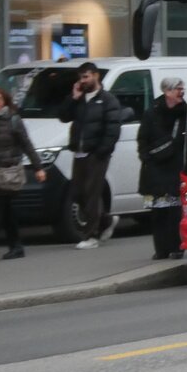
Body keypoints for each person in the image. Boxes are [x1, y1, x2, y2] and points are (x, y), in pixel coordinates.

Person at [58, 61, 122, 250]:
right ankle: (106, 221)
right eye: (81, 78)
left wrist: (103, 150)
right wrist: (73, 97)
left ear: (96, 76)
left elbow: (112, 129)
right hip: (79, 152)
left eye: (86, 76)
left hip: (96, 154)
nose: (83, 81)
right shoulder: (80, 99)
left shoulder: (108, 100)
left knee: (92, 193)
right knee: (78, 194)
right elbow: (63, 116)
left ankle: (91, 235)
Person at [137, 77, 187, 260]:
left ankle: (176, 247)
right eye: (178, 89)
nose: (182, 92)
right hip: (155, 168)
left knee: (175, 212)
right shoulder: (152, 112)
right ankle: (161, 249)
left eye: (182, 89)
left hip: (176, 167)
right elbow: (142, 138)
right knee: (158, 213)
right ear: (167, 91)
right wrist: (146, 158)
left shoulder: (186, 112)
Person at [0, 87, 47, 260]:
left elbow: (27, 144)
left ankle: (16, 246)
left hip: (8, 173)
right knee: (7, 212)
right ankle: (17, 246)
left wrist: (38, 167)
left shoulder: (13, 120)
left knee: (0, 209)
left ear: (5, 101)